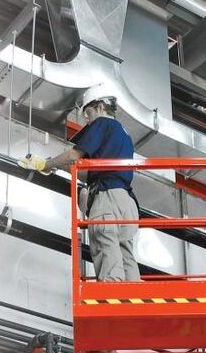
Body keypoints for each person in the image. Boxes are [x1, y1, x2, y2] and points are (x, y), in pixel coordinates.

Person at [22, 85, 140, 281]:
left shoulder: (102, 123)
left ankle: (113, 297)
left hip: (107, 200)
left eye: (88, 113)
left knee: (107, 253)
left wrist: (45, 164)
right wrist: (59, 168)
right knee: (126, 256)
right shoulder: (124, 134)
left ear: (100, 106)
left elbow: (74, 155)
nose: (87, 119)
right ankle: (134, 297)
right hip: (127, 203)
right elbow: (94, 173)